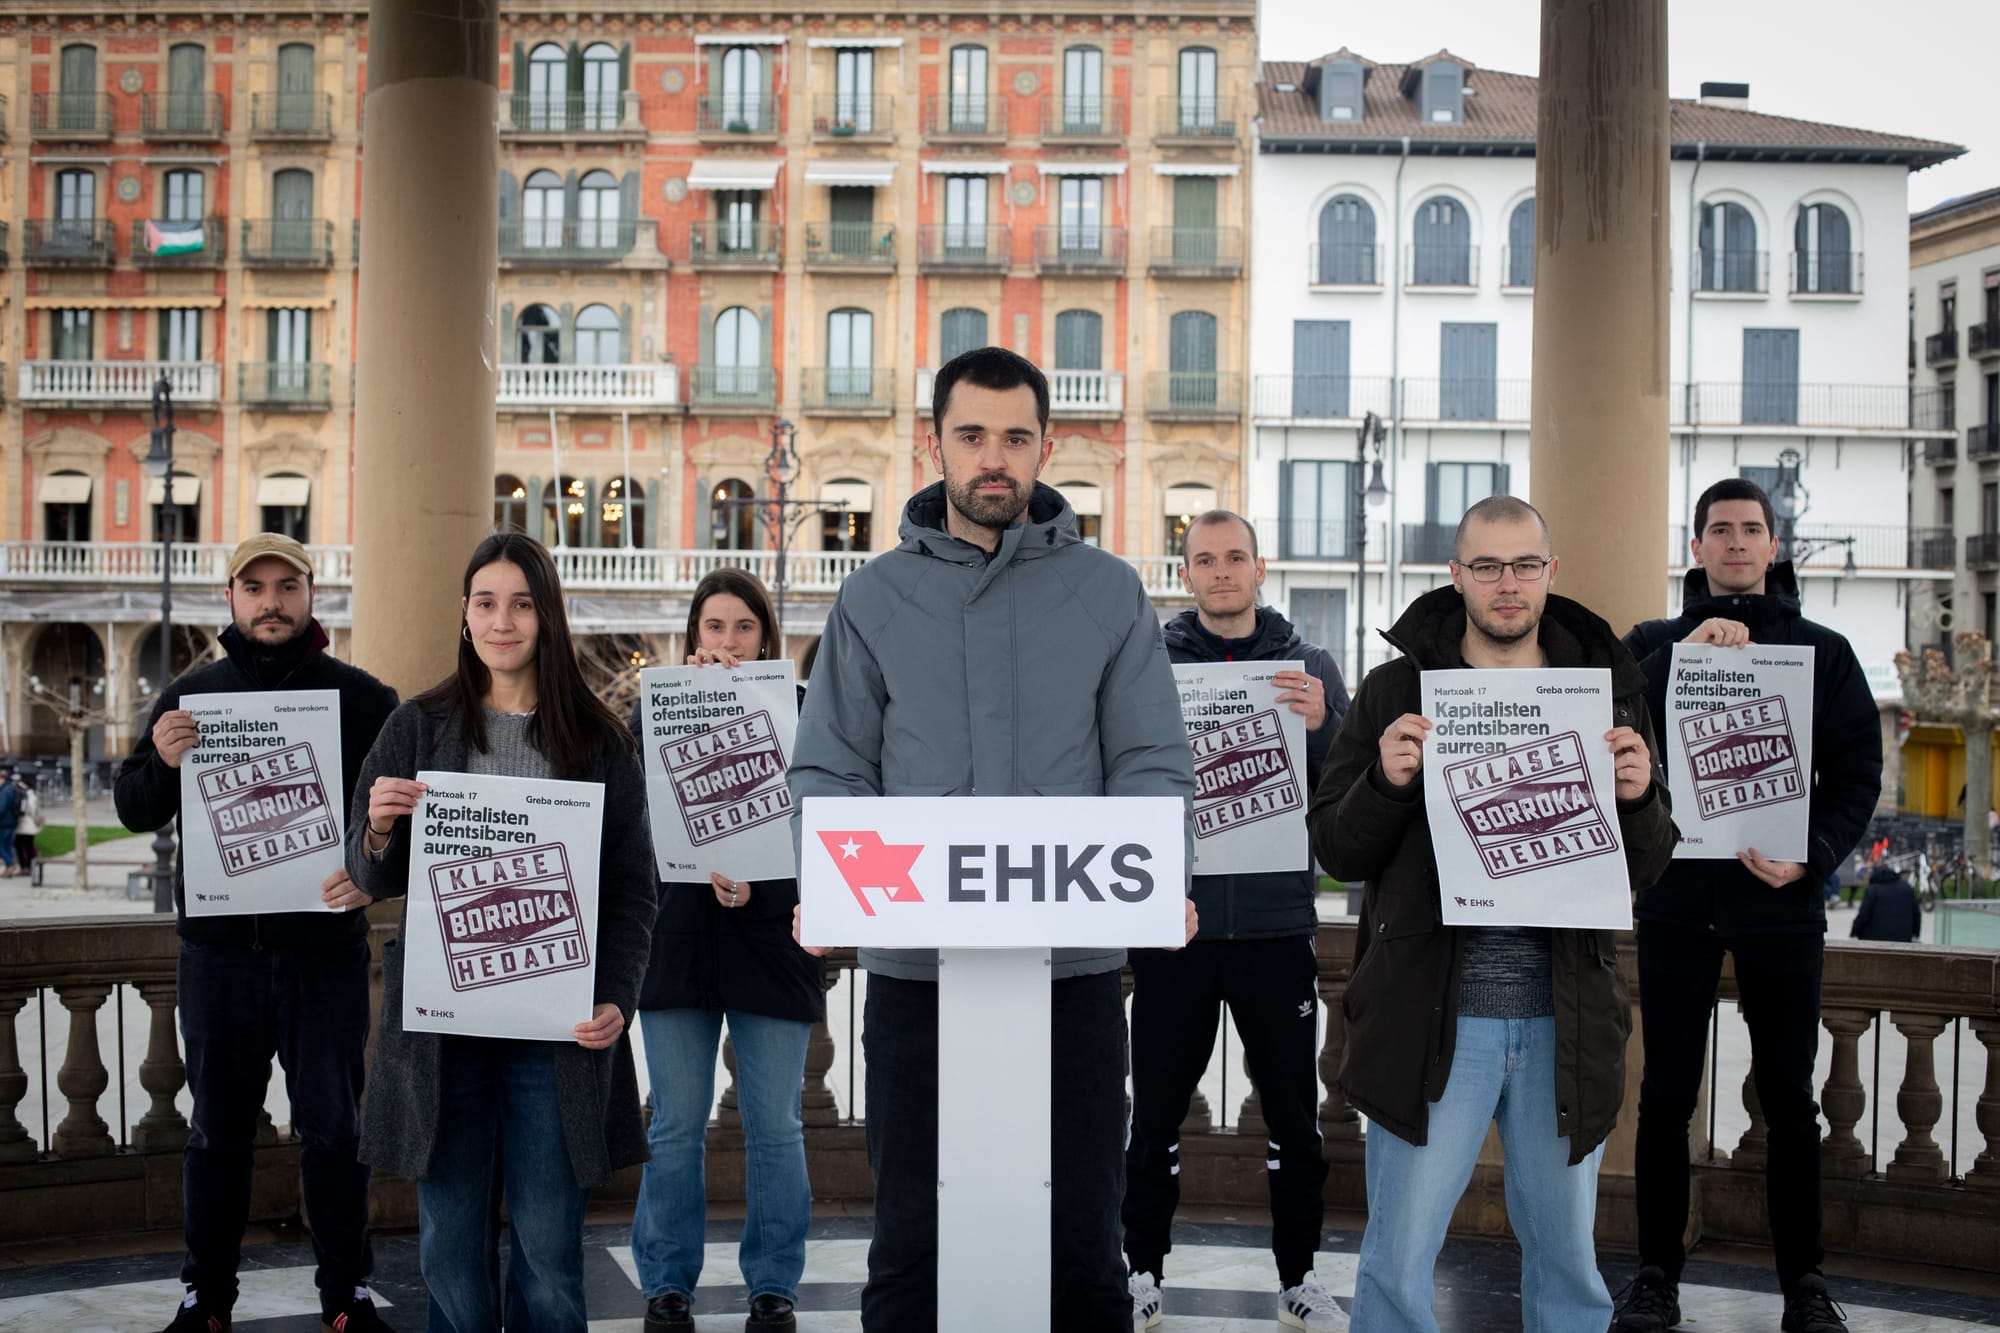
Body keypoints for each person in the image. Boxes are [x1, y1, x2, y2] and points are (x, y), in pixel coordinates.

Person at [787, 345, 1197, 1331]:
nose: (993, 458)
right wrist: (826, 875)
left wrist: (1160, 870)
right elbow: (830, 767)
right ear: (933, 443)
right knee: (908, 1241)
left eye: (1016, 437)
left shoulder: (1108, 594)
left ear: (1046, 446)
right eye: (971, 435)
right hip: (915, 975)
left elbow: (1150, 758)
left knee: (1083, 1245)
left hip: (1075, 973)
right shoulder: (871, 598)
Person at [1307, 496, 1677, 1333]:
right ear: (1457, 575)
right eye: (1487, 566)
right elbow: (1335, 846)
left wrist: (1642, 795)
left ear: (1552, 572)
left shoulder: (1608, 690)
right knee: (1399, 1260)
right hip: (1431, 1019)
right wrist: (1386, 783)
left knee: (1569, 1262)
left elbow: (1649, 866)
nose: (1506, 584)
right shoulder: (1398, 688)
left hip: (1564, 1019)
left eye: (1524, 565)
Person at [343, 532, 659, 1332]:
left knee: (550, 1251)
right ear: (465, 614)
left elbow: (631, 893)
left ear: (547, 616)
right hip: (445, 1033)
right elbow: (370, 874)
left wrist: (618, 996)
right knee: (448, 1243)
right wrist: (378, 829)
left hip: (555, 1034)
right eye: (486, 602)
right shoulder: (417, 725)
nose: (502, 620)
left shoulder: (600, 742)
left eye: (521, 603)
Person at [1611, 478, 1882, 1333]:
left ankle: (1805, 1284)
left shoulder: (1823, 650)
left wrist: (1816, 857)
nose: (1735, 542)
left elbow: (1855, 772)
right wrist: (1687, 649)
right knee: (1664, 1096)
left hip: (1782, 905)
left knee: (1792, 1098)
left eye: (1751, 530)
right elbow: (1612, 725)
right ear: (1694, 547)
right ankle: (1655, 1276)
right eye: (1718, 530)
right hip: (1675, 901)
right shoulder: (1655, 640)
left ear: (1774, 545)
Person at [114, 533, 402, 1333]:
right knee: (215, 1134)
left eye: (286, 586)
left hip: (325, 958)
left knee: (336, 1131)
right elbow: (133, 805)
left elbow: (418, 818)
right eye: (254, 587)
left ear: (311, 594)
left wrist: (374, 865)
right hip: (219, 959)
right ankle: (205, 1295)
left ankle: (347, 1293)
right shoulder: (189, 696)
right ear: (230, 600)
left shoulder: (366, 698)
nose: (270, 601)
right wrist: (163, 765)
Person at [1124, 508, 1350, 1331]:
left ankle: (1300, 1277)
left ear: (1262, 566)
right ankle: (1141, 1268)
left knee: (1295, 1117)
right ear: (1187, 573)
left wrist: (1325, 723)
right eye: (1206, 559)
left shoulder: (1310, 664)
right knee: (1153, 1113)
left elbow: (1353, 790)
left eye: (1236, 557)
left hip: (1274, 928)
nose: (1222, 571)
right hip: (1173, 928)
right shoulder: (1151, 663)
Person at [632, 569, 824, 1333]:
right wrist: (682, 706)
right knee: (675, 1122)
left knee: (776, 1123)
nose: (728, 641)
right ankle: (665, 1280)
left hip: (772, 945)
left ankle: (774, 1281)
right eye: (714, 627)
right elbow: (633, 828)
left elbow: (823, 833)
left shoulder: (807, 714)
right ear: (692, 638)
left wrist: (765, 894)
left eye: (743, 626)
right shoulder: (656, 712)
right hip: (677, 946)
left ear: (767, 638)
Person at [1851, 866, 1920, 943]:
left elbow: (1863, 915)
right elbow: (1916, 915)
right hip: (1903, 939)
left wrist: (1854, 933)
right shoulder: (1907, 888)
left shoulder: (1873, 890)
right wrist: (1915, 934)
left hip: (1873, 940)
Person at [12, 772, 41, 879]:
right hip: (28, 824)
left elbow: (32, 810)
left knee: (22, 845)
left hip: (25, 824)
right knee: (27, 846)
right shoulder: (30, 795)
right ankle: (28, 866)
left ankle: (26, 866)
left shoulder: (27, 795)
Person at [0, 767, 20, 877]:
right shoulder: (10, 788)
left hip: (4, 822)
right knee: (7, 846)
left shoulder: (4, 791)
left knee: (1, 846)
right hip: (11, 822)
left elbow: (1, 807)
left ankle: (10, 864)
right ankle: (8, 869)